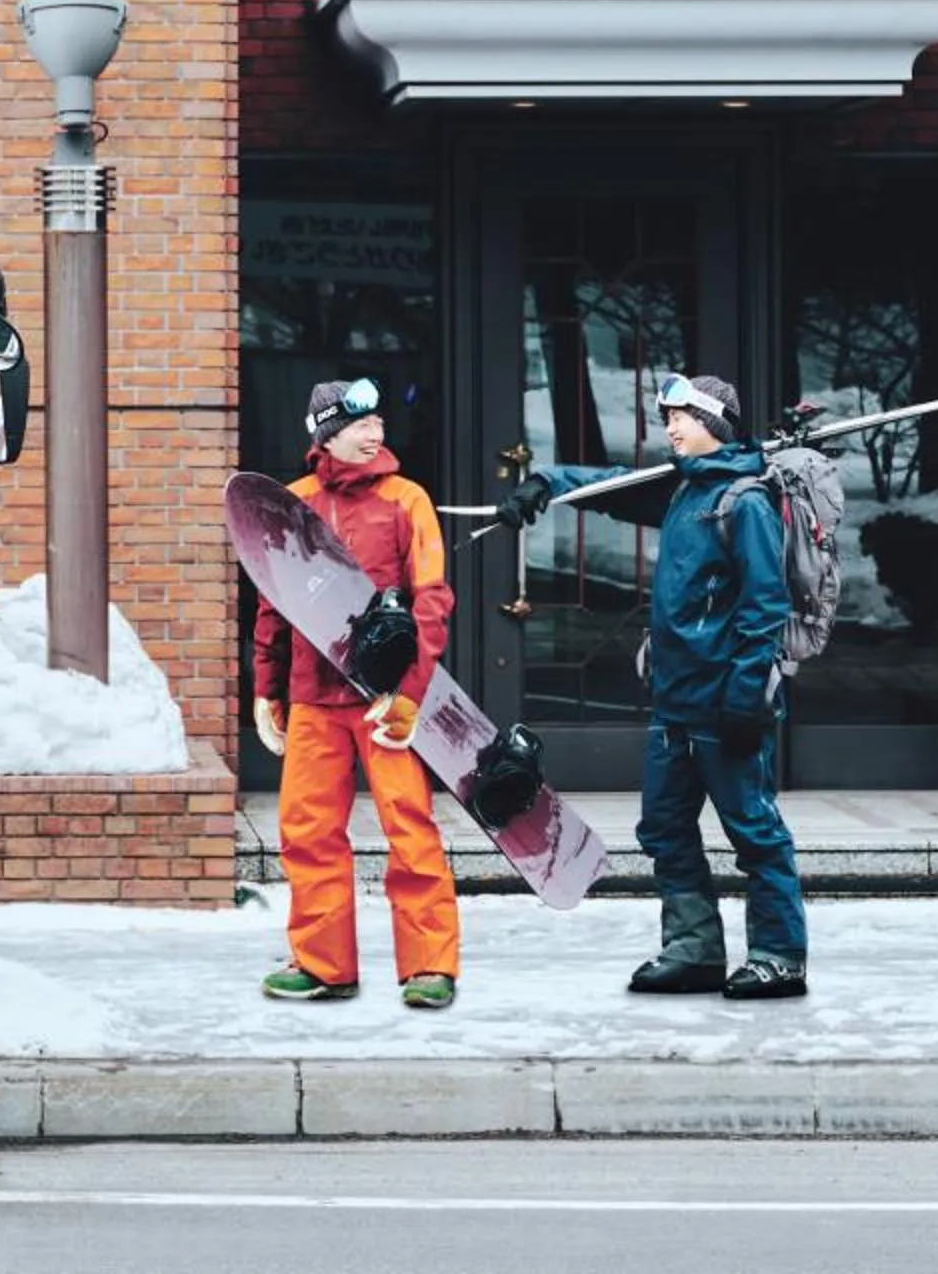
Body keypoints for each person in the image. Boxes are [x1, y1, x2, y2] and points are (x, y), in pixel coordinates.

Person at [502, 372, 808, 1000]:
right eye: (666, 417)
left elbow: (764, 607)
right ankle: (694, 950)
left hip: (726, 704)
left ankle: (779, 956)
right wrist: (546, 484)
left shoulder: (743, 501)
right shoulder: (682, 491)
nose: (669, 428)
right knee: (664, 827)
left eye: (680, 418)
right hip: (674, 704)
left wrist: (747, 696)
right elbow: (609, 486)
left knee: (754, 831)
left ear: (714, 424)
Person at [251, 377, 461, 1010]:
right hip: (314, 696)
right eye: (360, 424)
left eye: (378, 424)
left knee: (410, 827)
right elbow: (273, 603)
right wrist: (267, 689)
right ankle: (323, 964)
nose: (377, 433)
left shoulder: (407, 500)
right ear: (327, 433)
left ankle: (429, 966)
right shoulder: (292, 503)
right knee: (308, 831)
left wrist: (411, 692)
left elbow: (432, 599)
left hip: (384, 699)